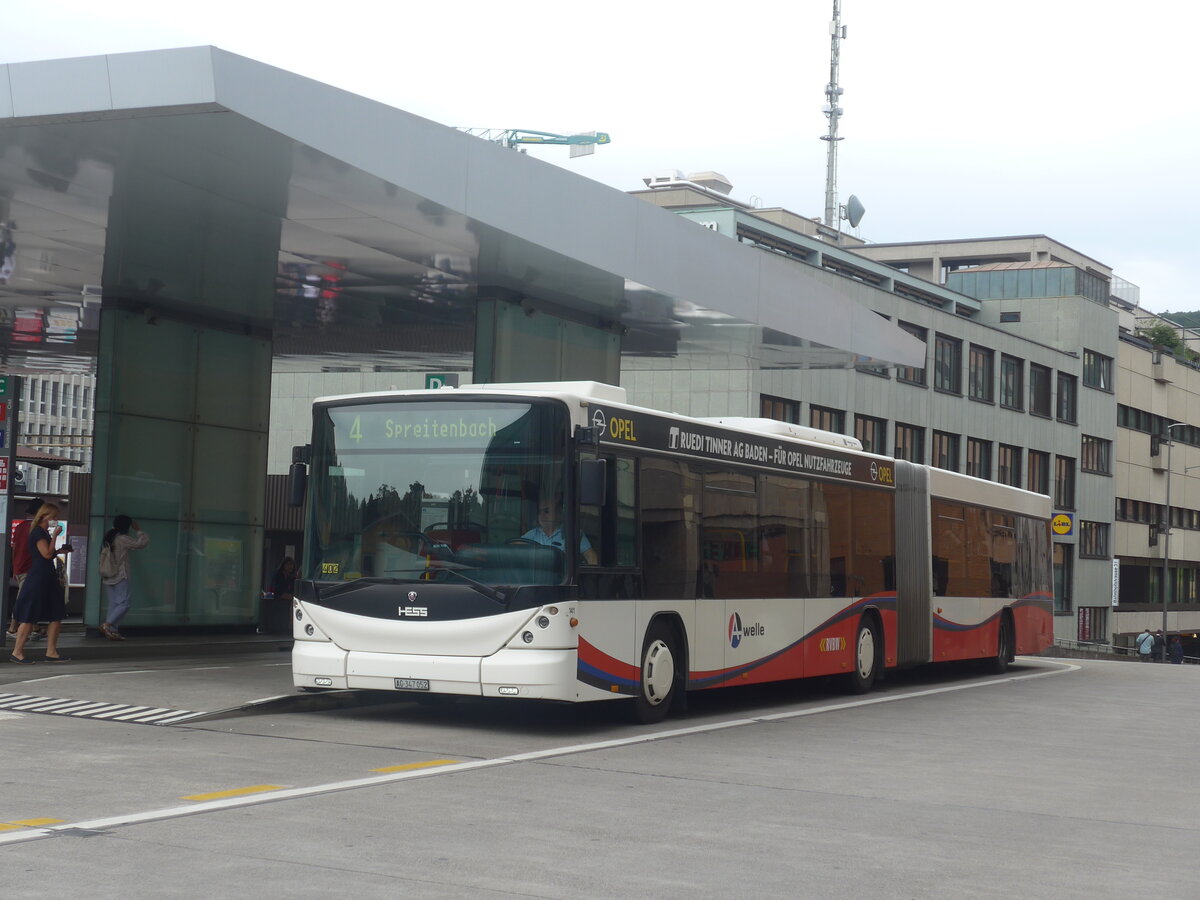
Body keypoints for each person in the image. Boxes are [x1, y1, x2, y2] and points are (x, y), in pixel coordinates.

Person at [9, 502, 72, 663]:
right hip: (39, 577)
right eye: (54, 517)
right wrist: (56, 535)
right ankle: (17, 652)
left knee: (56, 613)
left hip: (46, 576)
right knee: (29, 614)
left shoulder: (42, 532)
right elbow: (46, 554)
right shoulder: (38, 532)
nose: (55, 520)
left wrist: (59, 550)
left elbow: (47, 554)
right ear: (44, 516)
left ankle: (52, 652)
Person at [99, 514, 150, 641]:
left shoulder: (109, 536)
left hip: (107, 575)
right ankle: (108, 625)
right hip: (120, 575)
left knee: (114, 604)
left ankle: (112, 631)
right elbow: (141, 543)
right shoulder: (122, 539)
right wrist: (138, 530)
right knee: (125, 603)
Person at [521, 494, 598, 565]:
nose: (542, 515)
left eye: (546, 511)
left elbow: (590, 556)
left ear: (558, 513)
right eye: (539, 512)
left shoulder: (572, 533)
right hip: (537, 574)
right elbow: (516, 548)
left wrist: (591, 574)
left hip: (563, 575)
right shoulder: (533, 534)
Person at [6, 497, 44, 639]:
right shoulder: (37, 528)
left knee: (28, 597)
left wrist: (14, 567)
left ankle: (34, 627)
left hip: (19, 566)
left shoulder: (20, 526)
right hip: (31, 568)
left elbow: (14, 549)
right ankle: (12, 628)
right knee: (24, 598)